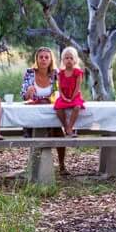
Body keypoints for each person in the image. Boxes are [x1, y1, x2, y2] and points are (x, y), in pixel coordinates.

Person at [20, 47, 67, 176]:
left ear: (51, 59)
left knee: (58, 131)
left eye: (46, 57)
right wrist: (28, 93)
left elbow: (60, 94)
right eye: (41, 57)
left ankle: (62, 165)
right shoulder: (30, 73)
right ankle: (37, 167)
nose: (43, 60)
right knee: (45, 131)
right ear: (37, 59)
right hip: (34, 114)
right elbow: (23, 96)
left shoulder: (56, 74)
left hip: (52, 113)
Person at [54, 46, 86, 137]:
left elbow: (77, 88)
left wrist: (71, 98)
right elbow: (59, 87)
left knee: (77, 107)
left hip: (75, 96)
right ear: (63, 60)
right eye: (66, 58)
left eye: (71, 58)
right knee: (58, 108)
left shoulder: (78, 72)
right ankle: (65, 126)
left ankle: (70, 127)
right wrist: (64, 97)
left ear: (75, 60)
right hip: (64, 96)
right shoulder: (60, 73)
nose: (69, 60)